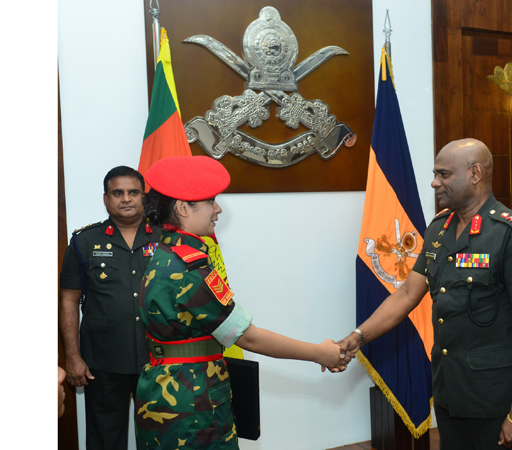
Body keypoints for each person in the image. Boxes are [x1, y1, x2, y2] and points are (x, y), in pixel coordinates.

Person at [338, 139, 512, 450]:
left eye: (444, 174)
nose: (434, 182)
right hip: (450, 390)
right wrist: (359, 336)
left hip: (497, 396)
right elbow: (407, 293)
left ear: (475, 174)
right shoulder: (439, 228)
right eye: (435, 174)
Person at [134, 156, 349, 450]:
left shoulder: (162, 253)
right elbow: (248, 337)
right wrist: (319, 353)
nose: (218, 209)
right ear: (183, 208)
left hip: (166, 393)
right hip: (193, 405)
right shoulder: (189, 269)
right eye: (211, 201)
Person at [59, 166, 161, 450]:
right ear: (106, 199)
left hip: (158, 361)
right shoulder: (84, 241)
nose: (126, 199)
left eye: (133, 192)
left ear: (144, 197)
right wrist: (73, 357)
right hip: (103, 362)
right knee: (105, 441)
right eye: (118, 193)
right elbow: (69, 301)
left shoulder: (166, 239)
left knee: (160, 439)